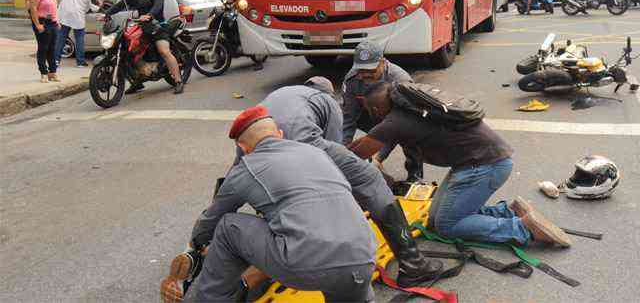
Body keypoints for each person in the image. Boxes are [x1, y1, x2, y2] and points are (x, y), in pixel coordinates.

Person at [209, 78, 441, 289]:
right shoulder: (326, 101)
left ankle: (221, 249)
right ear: (329, 94)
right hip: (308, 145)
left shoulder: (273, 103)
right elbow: (329, 166)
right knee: (370, 180)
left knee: (257, 184)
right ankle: (413, 266)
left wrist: (209, 226)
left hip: (259, 141)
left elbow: (237, 173)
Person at [166, 106, 377, 302]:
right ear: (280, 135)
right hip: (364, 258)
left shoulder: (245, 168)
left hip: (307, 265)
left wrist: (197, 245)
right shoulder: (316, 153)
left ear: (243, 147)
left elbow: (212, 220)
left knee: (228, 226)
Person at [348, 83, 572, 248]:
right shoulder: (410, 108)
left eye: (370, 111)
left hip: (484, 166)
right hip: (480, 162)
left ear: (377, 109)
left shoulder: (396, 121)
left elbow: (358, 153)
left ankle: (522, 228)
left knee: (447, 226)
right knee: (435, 219)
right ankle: (506, 211)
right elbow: (366, 145)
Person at [342, 41, 423, 182]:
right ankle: (369, 167)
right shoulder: (352, 80)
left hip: (400, 119)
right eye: (361, 71)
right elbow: (348, 118)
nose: (365, 75)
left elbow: (399, 123)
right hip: (372, 115)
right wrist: (341, 151)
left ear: (382, 62)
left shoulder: (400, 81)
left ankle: (415, 174)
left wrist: (379, 156)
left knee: (411, 134)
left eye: (371, 70)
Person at [104, 0, 184, 94]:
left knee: (164, 50)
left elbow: (157, 6)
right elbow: (120, 5)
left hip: (157, 26)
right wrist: (106, 14)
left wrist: (149, 15)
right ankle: (137, 81)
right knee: (129, 51)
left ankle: (178, 81)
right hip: (141, 26)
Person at [55, 0, 100, 68]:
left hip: (64, 14)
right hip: (77, 16)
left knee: (61, 38)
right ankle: (80, 62)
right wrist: (100, 3)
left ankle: (55, 60)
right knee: (79, 39)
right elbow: (95, 8)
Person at [27, 0, 60, 83]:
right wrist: (37, 24)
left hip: (53, 23)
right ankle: (43, 73)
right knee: (43, 48)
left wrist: (57, 21)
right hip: (43, 22)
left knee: (52, 48)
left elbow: (53, 8)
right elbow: (33, 9)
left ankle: (52, 72)